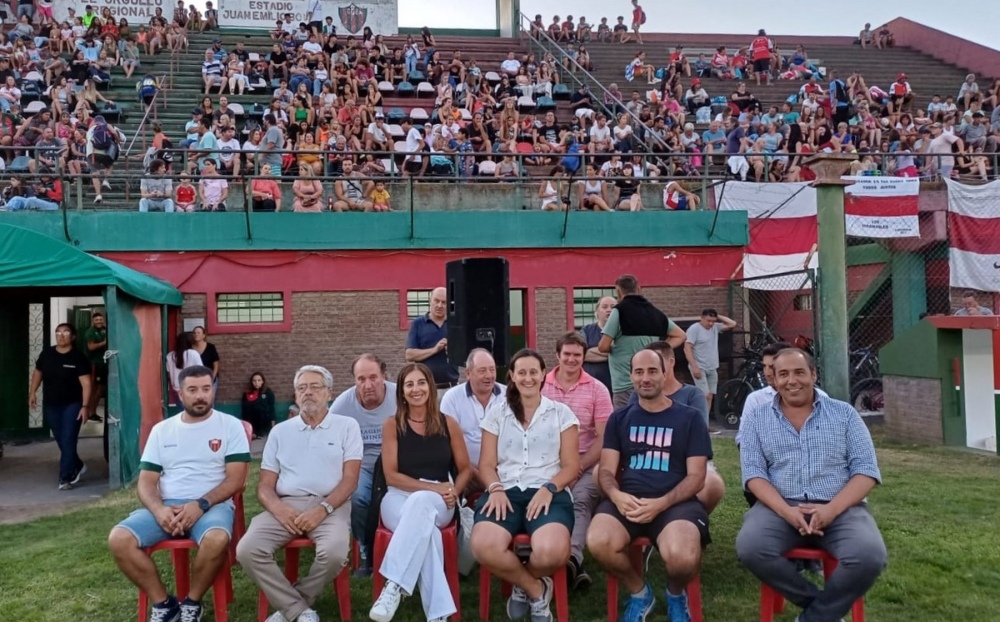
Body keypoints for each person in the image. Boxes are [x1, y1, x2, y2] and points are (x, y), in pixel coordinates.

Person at [736, 348, 887, 622]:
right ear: (773, 378)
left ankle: (813, 618)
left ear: (813, 375)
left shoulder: (845, 415)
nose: (791, 381)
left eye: (799, 372)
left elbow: (866, 472)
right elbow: (754, 476)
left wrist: (831, 510)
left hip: (840, 507)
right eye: (783, 374)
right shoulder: (757, 419)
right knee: (751, 547)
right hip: (779, 508)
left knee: (869, 556)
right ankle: (823, 610)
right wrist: (787, 512)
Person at [108, 365, 251, 622]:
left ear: (213, 391)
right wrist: (158, 509)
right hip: (168, 506)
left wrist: (200, 504)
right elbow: (147, 482)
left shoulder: (230, 426)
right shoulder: (162, 430)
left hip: (211, 506)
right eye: (193, 390)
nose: (200, 396)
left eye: (206, 389)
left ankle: (191, 602)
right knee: (119, 539)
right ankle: (164, 604)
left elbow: (237, 479)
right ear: (179, 393)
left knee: (217, 539)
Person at [587, 349, 713, 622]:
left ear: (665, 373)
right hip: (628, 501)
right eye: (639, 372)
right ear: (631, 376)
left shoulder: (689, 418)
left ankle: (676, 593)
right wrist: (616, 495)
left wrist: (662, 503)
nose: (645, 378)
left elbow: (697, 477)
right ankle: (639, 592)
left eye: (652, 371)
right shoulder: (619, 419)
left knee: (683, 557)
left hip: (675, 504)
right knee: (598, 541)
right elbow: (607, 470)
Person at [237, 365, 362, 622]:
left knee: (336, 553)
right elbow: (264, 485)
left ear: (329, 392)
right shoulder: (280, 432)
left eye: (315, 386)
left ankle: (292, 607)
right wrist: (278, 508)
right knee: (248, 549)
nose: (308, 392)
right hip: (286, 504)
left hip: (331, 504)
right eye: (301, 388)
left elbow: (350, 480)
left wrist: (323, 509)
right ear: (295, 396)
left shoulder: (347, 426)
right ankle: (299, 611)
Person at [470, 349, 580, 622]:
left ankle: (522, 584)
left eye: (534, 372)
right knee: (483, 545)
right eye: (522, 372)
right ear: (512, 376)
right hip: (504, 491)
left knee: (552, 552)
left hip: (548, 492)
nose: (528, 378)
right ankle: (536, 588)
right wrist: (494, 488)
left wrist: (549, 489)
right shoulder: (497, 414)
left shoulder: (561, 414)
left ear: (544, 374)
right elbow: (486, 464)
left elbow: (571, 466)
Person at [369, 363, 472, 622]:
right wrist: (433, 487)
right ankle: (438, 615)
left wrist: (454, 491)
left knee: (423, 504)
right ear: (402, 392)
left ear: (430, 387)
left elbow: (465, 469)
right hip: (397, 497)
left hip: (440, 502)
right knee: (429, 534)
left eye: (421, 382)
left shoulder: (449, 423)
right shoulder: (392, 425)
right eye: (409, 384)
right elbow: (391, 475)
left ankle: (393, 584)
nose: (416, 389)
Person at [540, 332, 613, 591]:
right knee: (543, 498)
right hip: (544, 464)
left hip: (587, 463)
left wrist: (577, 467)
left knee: (581, 499)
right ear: (557, 356)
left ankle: (571, 560)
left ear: (584, 357)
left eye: (577, 355)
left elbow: (604, 437)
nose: (572, 359)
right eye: (567, 354)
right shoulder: (540, 385)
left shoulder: (598, 389)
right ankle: (539, 555)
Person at [328, 353, 397, 577]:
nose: (368, 385)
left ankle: (398, 548)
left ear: (383, 376)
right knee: (357, 497)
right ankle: (366, 548)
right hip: (361, 464)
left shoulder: (399, 396)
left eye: (373, 377)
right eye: (361, 379)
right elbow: (328, 438)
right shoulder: (342, 405)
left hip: (395, 461)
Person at [598, 274, 686, 408]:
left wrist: (616, 348)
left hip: (625, 383)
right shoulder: (654, 312)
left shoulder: (619, 312)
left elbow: (603, 346)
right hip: (651, 381)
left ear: (618, 291)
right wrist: (657, 351)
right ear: (639, 289)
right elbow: (680, 335)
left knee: (625, 423)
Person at [29, 322, 92, 490]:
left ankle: (65, 477)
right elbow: (38, 372)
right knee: (61, 440)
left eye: (65, 332)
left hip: (73, 404)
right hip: (52, 404)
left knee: (69, 439)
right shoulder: (47, 354)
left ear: (72, 337)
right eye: (58, 332)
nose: (61, 335)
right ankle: (77, 465)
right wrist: (32, 392)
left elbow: (86, 383)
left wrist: (85, 406)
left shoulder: (78, 357)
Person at [440, 348, 506, 491]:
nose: (489, 375)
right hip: (466, 474)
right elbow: (447, 444)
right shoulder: (452, 398)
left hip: (505, 475)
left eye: (492, 370)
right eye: (482, 371)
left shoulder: (509, 396)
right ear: (468, 374)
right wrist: (481, 477)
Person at [683, 308, 737, 416]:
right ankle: (700, 420)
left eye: (713, 320)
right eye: (708, 320)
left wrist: (718, 316)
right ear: (702, 318)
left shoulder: (715, 327)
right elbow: (687, 348)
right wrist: (694, 366)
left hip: (712, 367)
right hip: (699, 366)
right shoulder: (694, 329)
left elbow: (732, 324)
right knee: (705, 395)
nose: (711, 323)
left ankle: (705, 422)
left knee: (710, 396)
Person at [405, 287, 459, 388]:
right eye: (436, 301)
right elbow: (409, 355)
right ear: (430, 301)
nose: (439, 305)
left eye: (444, 302)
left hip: (451, 387)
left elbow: (466, 355)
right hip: (427, 388)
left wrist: (454, 350)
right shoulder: (418, 324)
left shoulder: (455, 324)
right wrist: (434, 350)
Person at [581, 296, 616, 394]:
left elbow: (626, 354)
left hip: (615, 389)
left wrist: (592, 351)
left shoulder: (622, 333)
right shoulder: (587, 330)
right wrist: (613, 353)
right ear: (597, 311)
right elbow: (583, 355)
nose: (609, 310)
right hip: (590, 388)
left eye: (613, 307)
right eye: (604, 307)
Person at [84, 312, 108, 423]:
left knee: (101, 388)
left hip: (103, 363)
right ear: (93, 321)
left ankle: (93, 413)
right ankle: (90, 413)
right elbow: (91, 347)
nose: (99, 321)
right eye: (97, 320)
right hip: (94, 363)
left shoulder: (105, 329)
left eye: (100, 319)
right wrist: (105, 343)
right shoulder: (90, 332)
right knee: (95, 389)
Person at [165, 332, 202, 397]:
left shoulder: (170, 356)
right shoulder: (193, 354)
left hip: (177, 390)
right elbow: (201, 371)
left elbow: (168, 373)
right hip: (192, 388)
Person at [241, 372, 276, 439]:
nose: (256, 383)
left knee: (260, 409)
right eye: (254, 381)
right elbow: (244, 412)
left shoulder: (268, 392)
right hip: (251, 421)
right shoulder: (247, 394)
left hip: (264, 421)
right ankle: (252, 432)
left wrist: (273, 427)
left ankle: (260, 433)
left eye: (259, 380)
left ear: (262, 381)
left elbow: (272, 409)